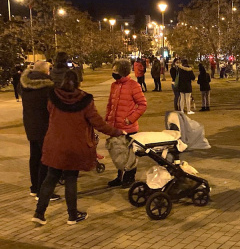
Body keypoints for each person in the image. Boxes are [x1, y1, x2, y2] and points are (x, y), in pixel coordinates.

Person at [31, 70, 124, 226]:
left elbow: (49, 113)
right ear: (79, 82)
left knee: (50, 177)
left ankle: (39, 213)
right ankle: (72, 216)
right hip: (75, 147)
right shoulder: (85, 100)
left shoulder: (53, 97)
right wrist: (117, 132)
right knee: (71, 179)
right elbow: (98, 123)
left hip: (55, 144)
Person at [20, 61, 60, 201]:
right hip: (45, 127)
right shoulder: (48, 88)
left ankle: (34, 188)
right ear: (46, 72)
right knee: (45, 159)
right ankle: (42, 191)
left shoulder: (24, 85)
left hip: (30, 126)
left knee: (34, 157)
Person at [106, 59, 147, 188]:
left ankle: (129, 178)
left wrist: (130, 119)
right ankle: (120, 176)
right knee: (118, 153)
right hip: (115, 126)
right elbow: (110, 104)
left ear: (122, 71)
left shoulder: (134, 85)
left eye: (115, 70)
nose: (113, 73)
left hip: (128, 127)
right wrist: (107, 119)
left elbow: (142, 104)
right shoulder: (114, 85)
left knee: (129, 155)